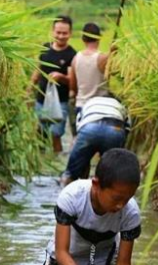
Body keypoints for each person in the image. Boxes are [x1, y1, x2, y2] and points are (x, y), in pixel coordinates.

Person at [39, 148, 142, 265]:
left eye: (128, 198)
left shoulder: (131, 213)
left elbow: (123, 264)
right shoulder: (72, 197)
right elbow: (61, 252)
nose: (121, 206)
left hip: (101, 260)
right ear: (96, 184)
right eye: (116, 198)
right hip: (68, 255)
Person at [30, 16, 77, 153]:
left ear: (70, 33)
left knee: (56, 134)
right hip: (41, 99)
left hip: (60, 102)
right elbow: (37, 70)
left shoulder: (72, 54)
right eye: (58, 32)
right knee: (40, 134)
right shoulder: (45, 48)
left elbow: (73, 81)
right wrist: (28, 90)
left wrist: (61, 77)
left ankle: (56, 164)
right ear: (53, 31)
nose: (61, 36)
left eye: (65, 33)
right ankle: (41, 164)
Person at [60, 95, 131, 186]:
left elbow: (79, 127)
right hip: (114, 129)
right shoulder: (121, 106)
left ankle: (65, 194)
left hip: (89, 128)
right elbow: (127, 129)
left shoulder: (89, 103)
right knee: (111, 174)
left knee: (71, 173)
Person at [69, 22, 109, 112]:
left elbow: (73, 86)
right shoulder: (103, 58)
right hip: (101, 106)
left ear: (83, 39)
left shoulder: (76, 59)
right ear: (99, 38)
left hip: (82, 106)